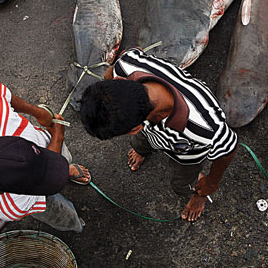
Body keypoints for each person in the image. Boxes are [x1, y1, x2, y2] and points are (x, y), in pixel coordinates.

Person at [79, 48, 237, 222]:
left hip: (186, 153)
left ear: (134, 128)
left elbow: (228, 147)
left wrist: (211, 183)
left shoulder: (205, 127)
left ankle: (197, 196)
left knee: (182, 183)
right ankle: (142, 149)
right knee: (140, 143)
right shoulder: (127, 64)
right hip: (149, 131)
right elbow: (121, 62)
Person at [0, 83, 91, 232]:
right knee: (61, 214)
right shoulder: (11, 205)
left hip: (43, 146)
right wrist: (58, 135)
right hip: (38, 198)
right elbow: (44, 186)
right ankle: (75, 225)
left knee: (62, 160)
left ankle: (66, 169)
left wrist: (39, 113)